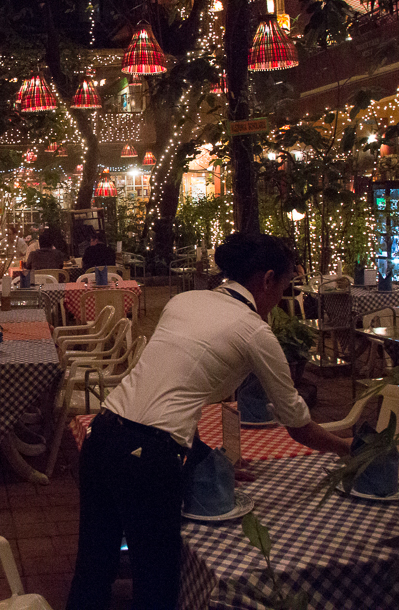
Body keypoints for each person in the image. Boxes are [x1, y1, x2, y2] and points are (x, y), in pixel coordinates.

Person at [66, 233, 351, 610]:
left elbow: (175, 390)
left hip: (103, 432)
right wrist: (348, 448)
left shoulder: (184, 301)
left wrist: (204, 459)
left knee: (94, 567)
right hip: (148, 458)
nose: (280, 300)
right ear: (267, 280)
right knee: (156, 583)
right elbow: (298, 425)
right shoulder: (254, 331)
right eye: (284, 288)